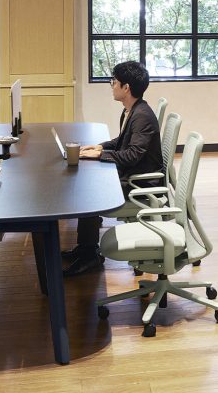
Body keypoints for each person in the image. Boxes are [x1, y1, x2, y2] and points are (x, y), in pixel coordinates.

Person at [64, 61, 163, 276]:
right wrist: (99, 147)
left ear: (126, 88)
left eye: (114, 82)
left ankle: (90, 254)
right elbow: (122, 141)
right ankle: (85, 248)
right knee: (88, 185)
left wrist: (99, 155)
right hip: (133, 175)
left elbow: (132, 155)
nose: (112, 85)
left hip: (141, 184)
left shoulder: (142, 116)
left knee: (88, 193)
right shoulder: (132, 110)